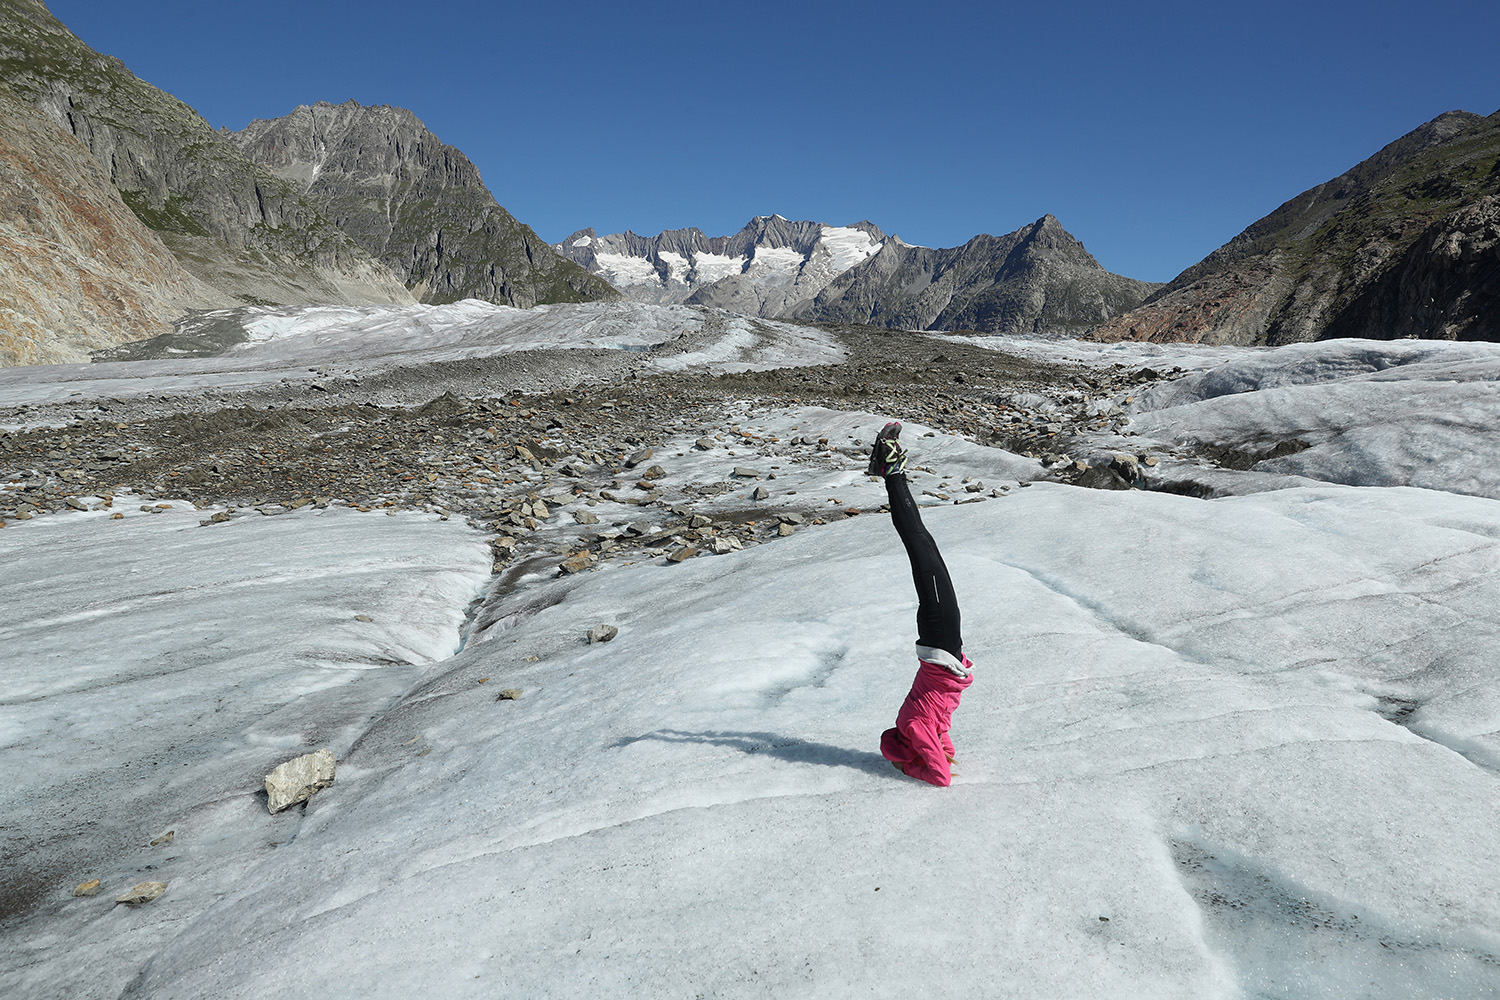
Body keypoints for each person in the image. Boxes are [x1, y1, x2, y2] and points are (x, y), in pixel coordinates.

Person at [868, 422, 973, 787]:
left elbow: (940, 776)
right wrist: (936, 752)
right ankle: (890, 471)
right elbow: (943, 748)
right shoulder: (920, 727)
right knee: (923, 546)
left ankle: (892, 471)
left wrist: (910, 767)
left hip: (940, 642)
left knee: (920, 544)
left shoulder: (912, 725)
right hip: (944, 648)